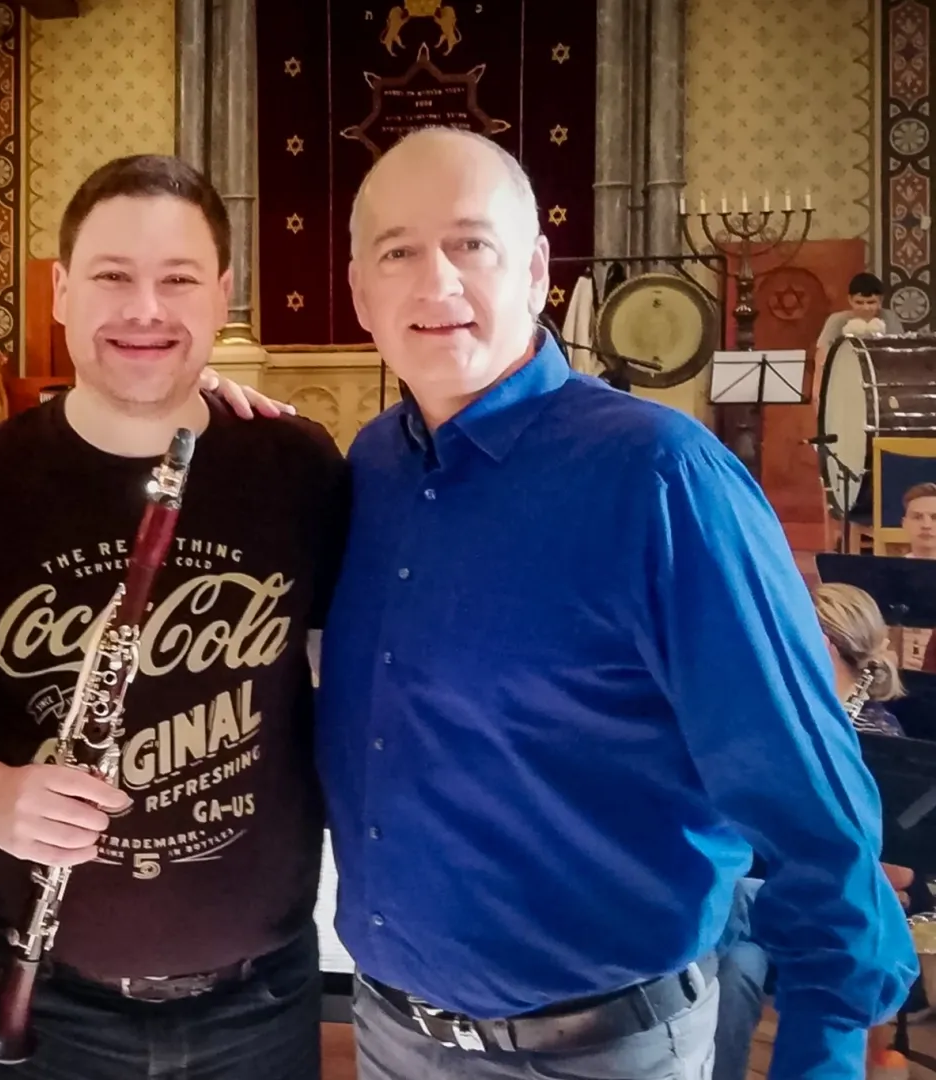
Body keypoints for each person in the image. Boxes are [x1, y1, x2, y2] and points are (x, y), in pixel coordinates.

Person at [317, 126, 916, 1080]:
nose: (436, 282)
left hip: (598, 1054)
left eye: (472, 244)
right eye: (398, 251)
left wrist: (823, 1049)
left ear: (539, 271)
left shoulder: (660, 478)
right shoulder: (371, 470)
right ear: (359, 292)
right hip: (395, 1038)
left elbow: (810, 797)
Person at [0, 155, 346, 1080]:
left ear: (222, 296)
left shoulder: (296, 467)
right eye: (112, 277)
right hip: (44, 995)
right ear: (59, 292)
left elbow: (348, 682)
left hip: (263, 997)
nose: (146, 310)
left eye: (178, 280)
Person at [713, 581, 913, 1080]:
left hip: (833, 915)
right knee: (736, 961)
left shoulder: (876, 738)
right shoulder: (784, 726)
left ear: (821, 647)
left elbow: (898, 876)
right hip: (777, 902)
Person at [816, 272, 905, 367]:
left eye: (871, 302)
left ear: (880, 300)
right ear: (850, 300)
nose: (865, 308)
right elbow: (821, 358)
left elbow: (900, 353)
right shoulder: (837, 320)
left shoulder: (889, 318)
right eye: (859, 303)